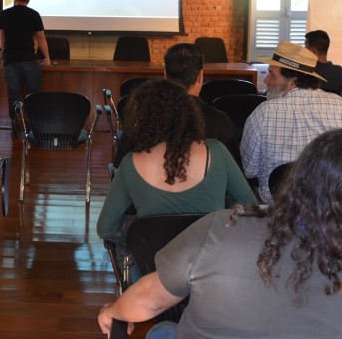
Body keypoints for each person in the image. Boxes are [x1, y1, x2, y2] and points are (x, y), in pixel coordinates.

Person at [98, 128, 342, 339]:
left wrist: (113, 312)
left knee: (162, 332)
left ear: (300, 178)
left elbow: (148, 300)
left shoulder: (221, 227)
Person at [97, 78, 256, 240]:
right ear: (187, 115)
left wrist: (139, 229)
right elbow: (252, 208)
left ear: (141, 120)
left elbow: (105, 229)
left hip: (152, 263)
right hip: (211, 262)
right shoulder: (217, 152)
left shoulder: (130, 164)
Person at [241, 41, 342, 202]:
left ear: (293, 80)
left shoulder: (263, 113)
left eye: (272, 74)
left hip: (276, 213)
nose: (266, 81)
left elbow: (249, 170)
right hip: (332, 214)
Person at [114, 43, 241, 169]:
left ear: (165, 75)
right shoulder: (221, 122)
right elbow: (235, 175)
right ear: (200, 76)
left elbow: (120, 169)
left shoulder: (140, 119)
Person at [0, 0, 50, 127]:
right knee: (34, 94)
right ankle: (35, 124)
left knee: (13, 94)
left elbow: (2, 37)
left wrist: (5, 52)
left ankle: (15, 124)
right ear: (28, 0)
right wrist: (48, 59)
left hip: (10, 60)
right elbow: (41, 38)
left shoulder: (4, 14)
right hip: (29, 59)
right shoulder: (34, 14)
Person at [305, 29, 342, 94]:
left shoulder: (306, 71)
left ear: (313, 50)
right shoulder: (339, 71)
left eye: (305, 46)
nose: (304, 50)